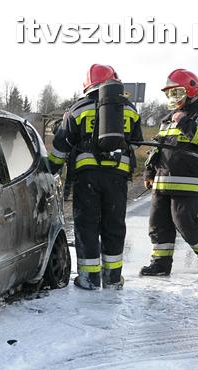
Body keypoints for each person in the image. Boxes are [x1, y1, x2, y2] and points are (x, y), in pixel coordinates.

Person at [49, 64, 143, 290]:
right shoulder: (128, 109)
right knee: (114, 226)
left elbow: (61, 146)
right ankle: (112, 279)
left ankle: (89, 279)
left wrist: (50, 169)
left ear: (87, 86)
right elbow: (137, 142)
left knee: (87, 226)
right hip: (117, 178)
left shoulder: (78, 110)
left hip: (87, 178)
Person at [141, 69, 198, 277]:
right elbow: (157, 146)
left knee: (184, 221)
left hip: (188, 180)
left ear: (190, 89)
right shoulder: (168, 118)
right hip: (161, 178)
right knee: (158, 223)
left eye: (176, 93)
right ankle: (160, 264)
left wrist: (184, 121)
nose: (172, 98)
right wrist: (149, 171)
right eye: (169, 94)